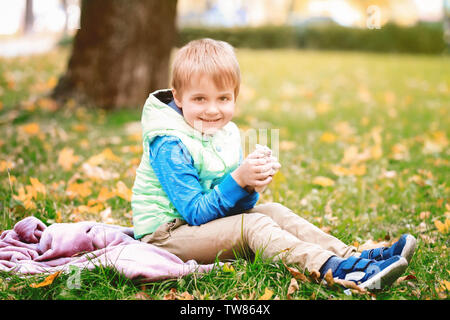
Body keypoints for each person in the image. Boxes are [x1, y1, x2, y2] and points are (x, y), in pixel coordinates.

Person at [131, 38, 416, 290]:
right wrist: (238, 180)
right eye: (200, 98)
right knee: (252, 227)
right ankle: (338, 270)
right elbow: (195, 212)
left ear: (235, 97)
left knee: (273, 211)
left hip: (202, 226)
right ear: (178, 98)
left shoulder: (223, 131)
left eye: (223, 98)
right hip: (167, 235)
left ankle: (352, 256)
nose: (213, 109)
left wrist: (251, 185)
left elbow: (233, 206)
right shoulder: (169, 143)